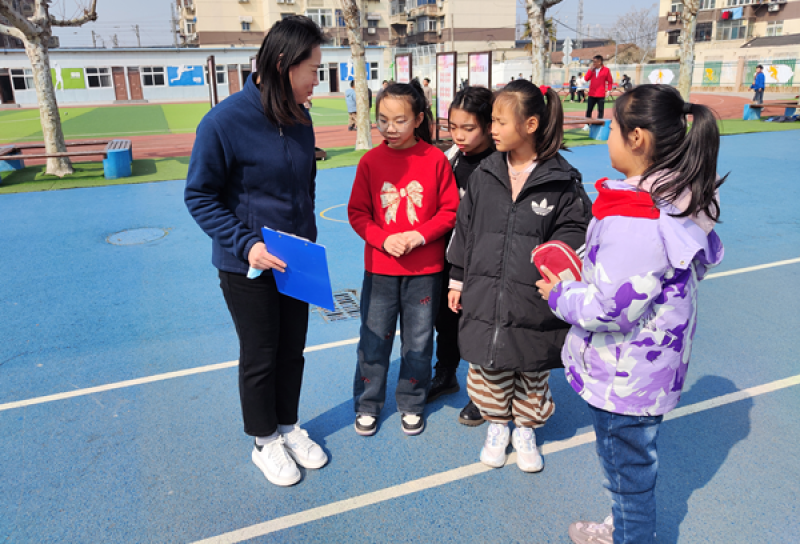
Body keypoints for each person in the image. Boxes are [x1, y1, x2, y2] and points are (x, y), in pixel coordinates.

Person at [536, 84, 725, 544]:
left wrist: (559, 293)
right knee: (632, 470)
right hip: (650, 368)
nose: (608, 138)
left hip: (625, 376)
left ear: (637, 138)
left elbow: (609, 308)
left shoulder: (638, 217)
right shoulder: (677, 197)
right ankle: (623, 527)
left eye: (613, 130)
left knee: (627, 477)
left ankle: (629, 535)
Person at [184, 16, 328, 488]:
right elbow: (199, 196)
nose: (317, 81)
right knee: (261, 353)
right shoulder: (224, 122)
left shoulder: (301, 117)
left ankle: (288, 426)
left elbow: (304, 182)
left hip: (297, 258)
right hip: (246, 265)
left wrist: (305, 236)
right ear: (285, 65)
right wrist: (248, 246)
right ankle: (264, 440)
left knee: (293, 352)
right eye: (313, 70)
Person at [447, 80, 591, 472]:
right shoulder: (484, 174)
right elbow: (465, 230)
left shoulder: (562, 181)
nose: (491, 128)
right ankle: (496, 424)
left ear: (530, 124)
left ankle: (525, 428)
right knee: (489, 368)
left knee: (532, 366)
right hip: (485, 292)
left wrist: (560, 274)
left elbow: (576, 237)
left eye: (499, 121)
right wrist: (457, 278)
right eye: (491, 121)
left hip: (534, 298)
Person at [348, 79, 460, 437]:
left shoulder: (436, 159)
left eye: (399, 120)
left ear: (418, 119)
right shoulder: (370, 161)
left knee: (419, 340)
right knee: (373, 338)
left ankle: (412, 401)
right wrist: (383, 240)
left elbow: (449, 211)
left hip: (425, 270)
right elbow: (358, 213)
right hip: (380, 269)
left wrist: (418, 235)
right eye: (382, 119)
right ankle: (368, 403)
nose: (389, 128)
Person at [427, 86, 495, 426]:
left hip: (486, 262)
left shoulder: (499, 162)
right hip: (448, 256)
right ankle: (446, 373)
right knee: (446, 320)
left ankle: (485, 393)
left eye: (468, 128)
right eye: (453, 126)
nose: (459, 135)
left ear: (487, 124)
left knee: (482, 325)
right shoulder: (450, 157)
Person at [584, 55, 613, 119]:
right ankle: (587, 124)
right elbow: (586, 79)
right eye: (593, 62)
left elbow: (610, 81)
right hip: (592, 94)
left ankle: (599, 124)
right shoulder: (592, 70)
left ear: (599, 62)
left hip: (601, 94)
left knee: (600, 110)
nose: (593, 63)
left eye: (595, 62)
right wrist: (590, 71)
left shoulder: (606, 70)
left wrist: (608, 90)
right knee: (589, 110)